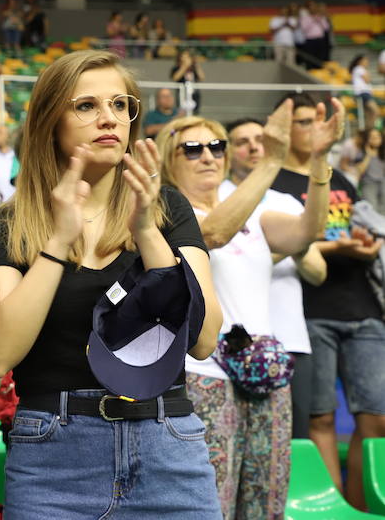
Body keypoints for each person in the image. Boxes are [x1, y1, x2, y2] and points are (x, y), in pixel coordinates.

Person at [0, 49, 223, 519]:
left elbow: (204, 340)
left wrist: (148, 232)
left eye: (120, 104)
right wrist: (59, 240)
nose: (108, 118)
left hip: (167, 446)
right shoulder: (8, 225)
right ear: (51, 120)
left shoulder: (167, 208)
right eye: (86, 106)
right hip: (52, 457)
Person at [157, 100, 341, 519]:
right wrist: (272, 161)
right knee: (212, 501)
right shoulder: (165, 212)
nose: (208, 156)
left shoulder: (251, 212)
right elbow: (216, 232)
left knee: (266, 498)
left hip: (264, 372)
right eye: (193, 149)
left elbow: (308, 231)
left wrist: (319, 159)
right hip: (202, 376)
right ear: (170, 160)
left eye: (216, 146)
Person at [271, 92, 385, 510]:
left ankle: (362, 507)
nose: (310, 129)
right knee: (319, 418)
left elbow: (355, 222)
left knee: (376, 418)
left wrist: (366, 244)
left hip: (364, 308)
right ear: (285, 129)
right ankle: (331, 508)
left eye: (314, 121)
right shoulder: (273, 183)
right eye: (301, 122)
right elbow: (286, 242)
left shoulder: (339, 178)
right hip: (310, 309)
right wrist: (337, 248)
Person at [226, 117, 328, 440]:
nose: (254, 147)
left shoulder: (286, 202)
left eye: (260, 139)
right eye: (242, 141)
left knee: (293, 442)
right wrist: (291, 240)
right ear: (227, 151)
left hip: (291, 341)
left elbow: (317, 272)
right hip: (234, 343)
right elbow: (235, 261)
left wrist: (293, 243)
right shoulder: (218, 199)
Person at [171, 50, 204, 115]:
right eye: (184, 57)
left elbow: (202, 77)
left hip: (194, 94)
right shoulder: (177, 68)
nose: (186, 59)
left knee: (195, 113)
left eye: (188, 57)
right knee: (182, 112)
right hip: (182, 93)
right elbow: (175, 78)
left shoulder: (193, 68)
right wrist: (184, 66)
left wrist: (196, 65)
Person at [350, 54, 379, 130]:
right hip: (363, 93)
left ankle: (368, 130)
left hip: (362, 93)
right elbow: (367, 80)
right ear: (360, 61)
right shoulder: (360, 69)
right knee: (375, 111)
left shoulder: (357, 69)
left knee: (369, 114)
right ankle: (370, 130)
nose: (367, 62)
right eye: (365, 60)